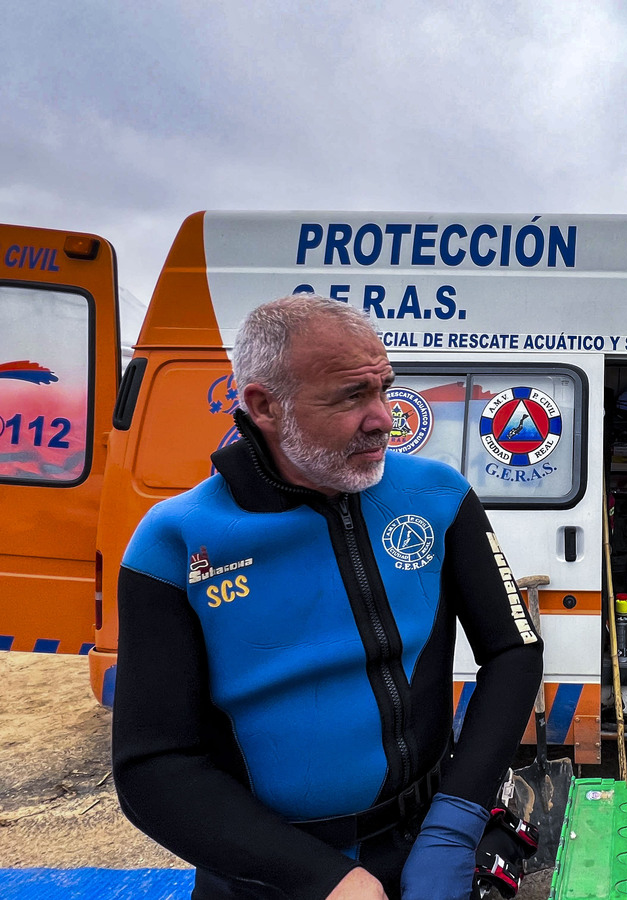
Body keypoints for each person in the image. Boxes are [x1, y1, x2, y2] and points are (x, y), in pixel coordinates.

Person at [112, 295, 544, 899]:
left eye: (384, 388)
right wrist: (320, 879)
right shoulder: (176, 541)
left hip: (425, 843)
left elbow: (514, 650)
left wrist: (457, 819)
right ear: (264, 405)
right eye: (349, 397)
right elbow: (153, 766)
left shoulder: (437, 494)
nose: (383, 418)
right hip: (269, 871)